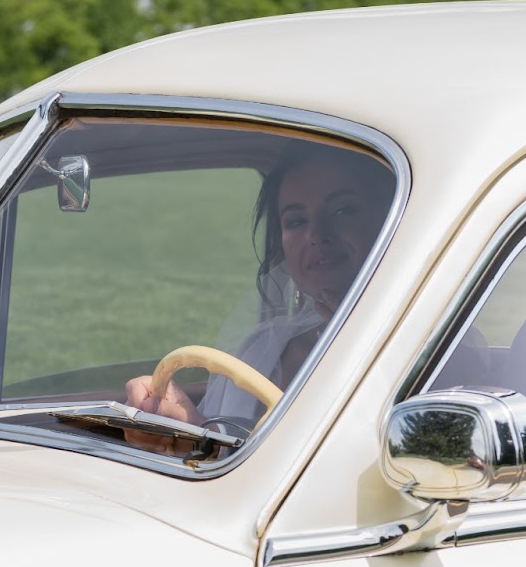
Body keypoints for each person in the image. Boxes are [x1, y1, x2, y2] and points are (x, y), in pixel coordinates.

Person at [123, 141, 396, 440]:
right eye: (296, 220)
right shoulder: (260, 349)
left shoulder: (430, 348)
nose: (317, 235)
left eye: (343, 210)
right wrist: (187, 422)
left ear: (390, 220)